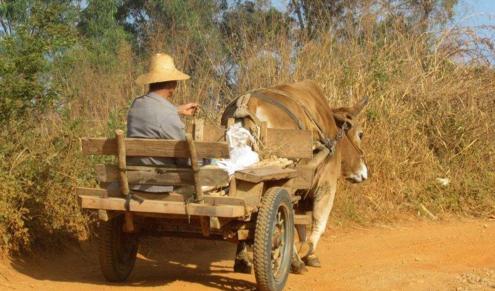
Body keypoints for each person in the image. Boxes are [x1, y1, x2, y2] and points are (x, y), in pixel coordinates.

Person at [127, 53, 198, 192]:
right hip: (160, 185)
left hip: (134, 181)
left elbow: (155, 115)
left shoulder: (136, 105)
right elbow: (184, 158)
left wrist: (177, 109)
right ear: (172, 85)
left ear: (151, 82)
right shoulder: (169, 115)